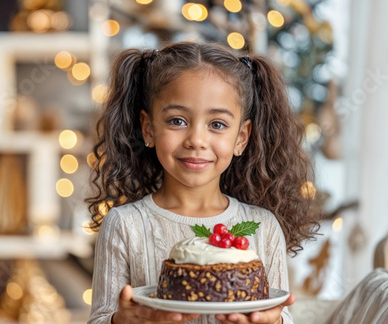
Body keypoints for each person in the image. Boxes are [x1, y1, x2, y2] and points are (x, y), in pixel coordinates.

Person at [86, 41, 321, 324]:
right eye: (177, 120)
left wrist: (272, 321)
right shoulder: (124, 225)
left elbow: (280, 315)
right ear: (148, 128)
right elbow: (100, 318)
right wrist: (121, 320)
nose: (196, 140)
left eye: (217, 124)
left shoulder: (263, 226)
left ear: (241, 138)